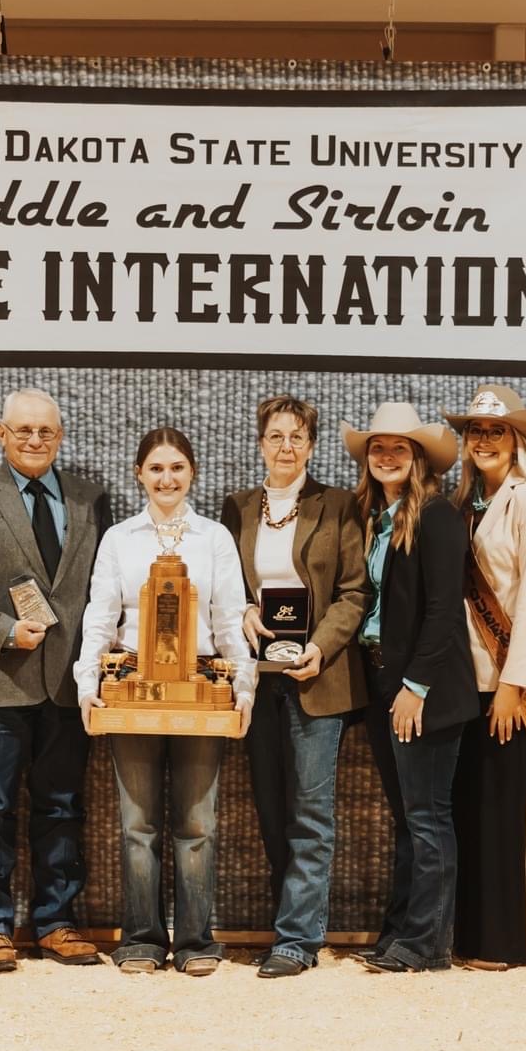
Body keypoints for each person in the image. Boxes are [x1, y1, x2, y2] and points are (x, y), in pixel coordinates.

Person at [0, 388, 111, 973]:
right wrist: (5, 630)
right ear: (1, 433)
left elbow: (104, 589)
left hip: (68, 682)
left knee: (61, 806)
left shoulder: (90, 500)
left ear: (59, 437)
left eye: (46, 432)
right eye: (24, 431)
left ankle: (56, 923)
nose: (35, 440)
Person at [78, 428, 255, 975]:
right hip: (134, 685)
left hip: (200, 688)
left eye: (177, 467)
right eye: (156, 468)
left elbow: (229, 617)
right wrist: (88, 684)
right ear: (139, 474)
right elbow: (101, 617)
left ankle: (198, 941)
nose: (167, 478)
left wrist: (243, 686)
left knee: (197, 822)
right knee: (138, 824)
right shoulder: (119, 538)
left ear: (192, 472)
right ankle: (142, 938)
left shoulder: (214, 538)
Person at [220, 395, 369, 978]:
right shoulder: (235, 509)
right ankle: (288, 923)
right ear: (260, 443)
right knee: (270, 806)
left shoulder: (338, 506)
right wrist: (242, 611)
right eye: (276, 436)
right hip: (257, 678)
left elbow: (355, 591)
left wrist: (321, 646)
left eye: (297, 437)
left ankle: (297, 941)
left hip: (317, 676)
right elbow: (223, 585)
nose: (286, 446)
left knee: (310, 811)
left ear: (311, 445)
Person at [342, 404, 475, 975]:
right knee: (408, 816)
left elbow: (445, 610)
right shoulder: (376, 518)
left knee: (428, 816)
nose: (387, 455)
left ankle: (427, 944)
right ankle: (400, 931)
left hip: (425, 689)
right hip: (382, 679)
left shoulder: (438, 516)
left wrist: (415, 686)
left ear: (418, 458)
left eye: (400, 447)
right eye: (378, 447)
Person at [445, 384, 526, 970]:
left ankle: (517, 939)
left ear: (516, 440)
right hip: (473, 681)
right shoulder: (469, 502)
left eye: (495, 431)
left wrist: (514, 685)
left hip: (515, 682)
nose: (484, 440)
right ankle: (478, 934)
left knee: (514, 812)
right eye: (475, 432)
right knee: (479, 814)